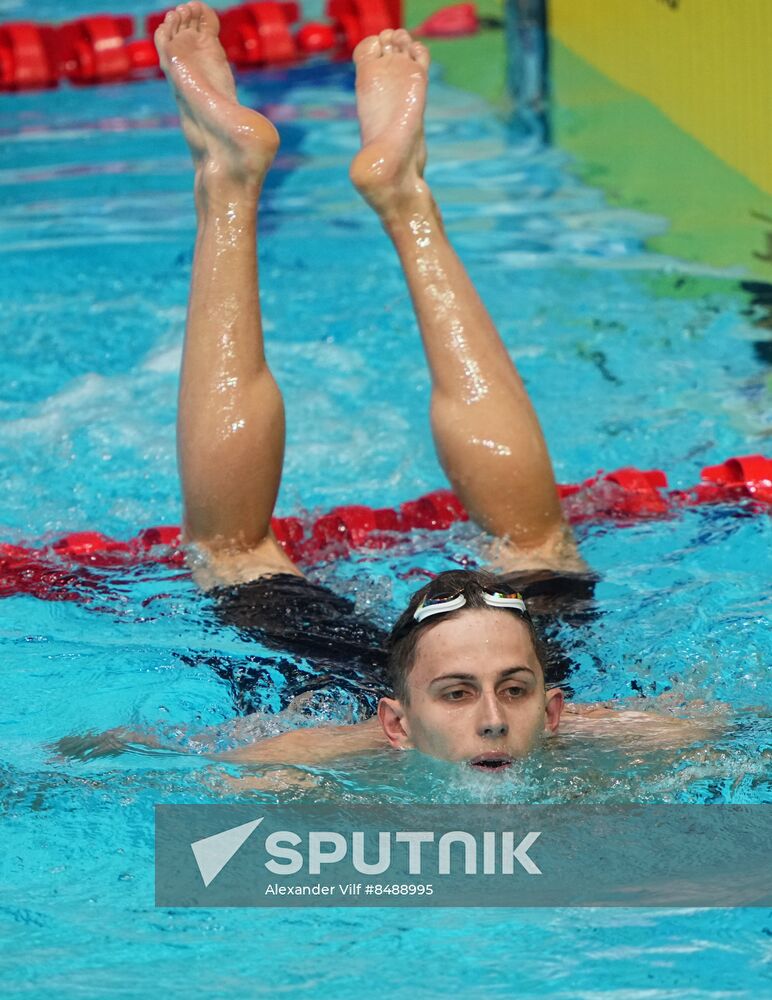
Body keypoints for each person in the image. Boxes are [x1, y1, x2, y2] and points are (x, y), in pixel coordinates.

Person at [55, 4, 714, 776]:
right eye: (458, 694)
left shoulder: (311, 755)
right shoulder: (325, 756)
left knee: (234, 554)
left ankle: (235, 178)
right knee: (536, 543)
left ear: (555, 707)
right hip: (362, 702)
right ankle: (388, 198)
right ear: (396, 725)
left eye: (515, 691)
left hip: (359, 690)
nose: (495, 723)